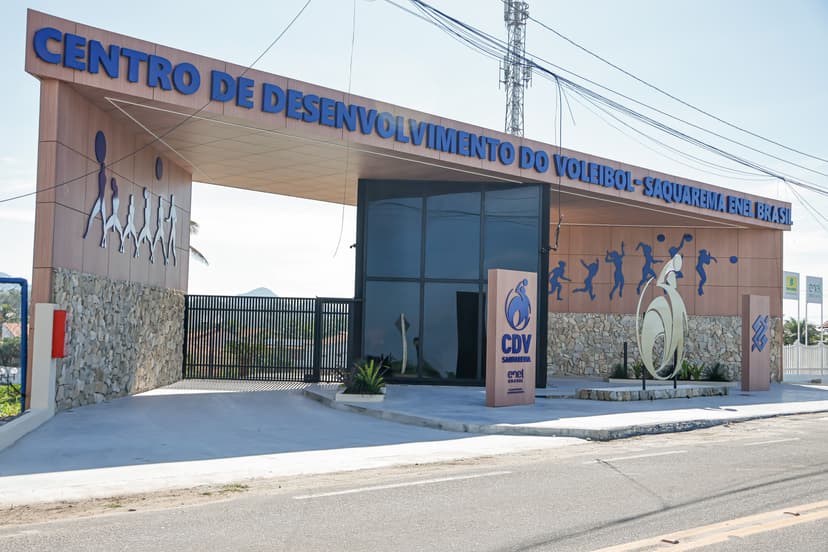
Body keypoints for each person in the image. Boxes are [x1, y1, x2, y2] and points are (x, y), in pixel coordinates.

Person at [83, 131, 108, 246]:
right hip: (101, 199)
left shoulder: (103, 176)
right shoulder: (102, 175)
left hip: (101, 199)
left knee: (100, 219)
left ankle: (103, 241)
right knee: (94, 217)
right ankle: (88, 234)